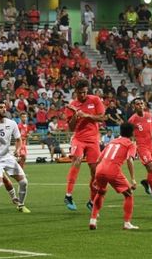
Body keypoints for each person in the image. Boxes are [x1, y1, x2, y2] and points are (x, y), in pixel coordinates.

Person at [64, 79, 105, 211]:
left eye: (85, 92)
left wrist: (85, 115)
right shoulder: (71, 105)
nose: (83, 95)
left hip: (93, 140)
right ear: (76, 92)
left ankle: (91, 201)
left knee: (95, 171)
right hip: (79, 139)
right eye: (80, 92)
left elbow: (102, 117)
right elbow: (71, 128)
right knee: (77, 160)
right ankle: (68, 195)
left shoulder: (95, 100)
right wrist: (76, 115)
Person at [90, 123, 138, 230]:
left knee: (101, 192)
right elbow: (130, 160)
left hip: (100, 169)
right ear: (132, 133)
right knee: (129, 194)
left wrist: (94, 178)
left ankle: (93, 220)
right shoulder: (131, 144)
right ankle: (127, 223)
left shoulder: (112, 142)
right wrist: (133, 179)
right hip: (113, 170)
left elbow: (98, 159)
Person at [128, 98, 152, 199]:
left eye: (141, 103)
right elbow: (128, 134)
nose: (140, 105)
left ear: (144, 105)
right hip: (142, 147)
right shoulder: (132, 120)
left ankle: (147, 182)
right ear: (134, 107)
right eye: (137, 104)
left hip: (151, 146)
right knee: (150, 168)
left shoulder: (149, 115)